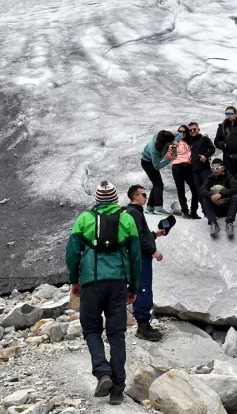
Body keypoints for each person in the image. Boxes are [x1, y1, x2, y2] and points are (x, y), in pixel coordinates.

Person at [65, 181, 141, 405]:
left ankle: (102, 372)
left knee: (91, 329)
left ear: (97, 199)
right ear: (116, 199)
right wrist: (134, 287)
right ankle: (117, 389)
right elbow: (135, 256)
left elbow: (72, 253)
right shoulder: (127, 219)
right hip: (118, 282)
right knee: (116, 334)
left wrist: (74, 280)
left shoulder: (84, 219)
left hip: (91, 282)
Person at [126, 184, 166, 341]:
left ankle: (144, 324)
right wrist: (153, 251)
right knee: (143, 288)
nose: (146, 197)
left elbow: (141, 234)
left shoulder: (135, 212)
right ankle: (142, 327)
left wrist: (154, 235)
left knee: (144, 287)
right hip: (140, 257)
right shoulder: (133, 212)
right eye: (143, 195)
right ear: (135, 197)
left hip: (140, 256)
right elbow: (137, 237)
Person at [214, 106, 237, 215]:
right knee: (229, 180)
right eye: (227, 114)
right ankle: (229, 203)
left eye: (231, 113)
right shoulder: (221, 127)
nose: (229, 116)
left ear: (235, 114)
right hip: (228, 158)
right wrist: (223, 144)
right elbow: (216, 141)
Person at [141, 130, 181, 214]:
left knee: (156, 184)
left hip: (152, 161)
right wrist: (170, 159)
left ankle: (150, 207)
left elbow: (179, 134)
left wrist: (175, 141)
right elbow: (157, 166)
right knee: (159, 184)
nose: (171, 144)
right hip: (148, 163)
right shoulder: (154, 150)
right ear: (165, 142)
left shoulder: (163, 136)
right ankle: (158, 207)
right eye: (170, 143)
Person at [199, 158, 237, 238]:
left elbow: (235, 189)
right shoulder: (210, 178)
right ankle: (213, 222)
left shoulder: (229, 177)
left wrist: (221, 194)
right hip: (215, 208)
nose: (215, 171)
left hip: (226, 207)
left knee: (235, 196)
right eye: (213, 169)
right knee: (204, 198)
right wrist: (211, 195)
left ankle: (229, 223)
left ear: (222, 168)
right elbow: (202, 190)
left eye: (217, 168)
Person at [170, 125, 200, 219]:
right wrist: (175, 144)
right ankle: (185, 211)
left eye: (184, 132)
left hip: (188, 167)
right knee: (181, 190)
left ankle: (194, 211)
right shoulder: (175, 142)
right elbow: (174, 155)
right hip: (178, 166)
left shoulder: (189, 141)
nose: (182, 133)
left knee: (194, 189)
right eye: (180, 131)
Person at [188, 121, 215, 198]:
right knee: (200, 192)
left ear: (198, 129)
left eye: (194, 129)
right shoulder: (189, 141)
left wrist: (205, 156)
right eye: (190, 130)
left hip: (205, 169)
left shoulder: (204, 139)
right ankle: (204, 209)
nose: (192, 131)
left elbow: (212, 149)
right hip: (194, 171)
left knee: (209, 189)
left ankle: (215, 209)